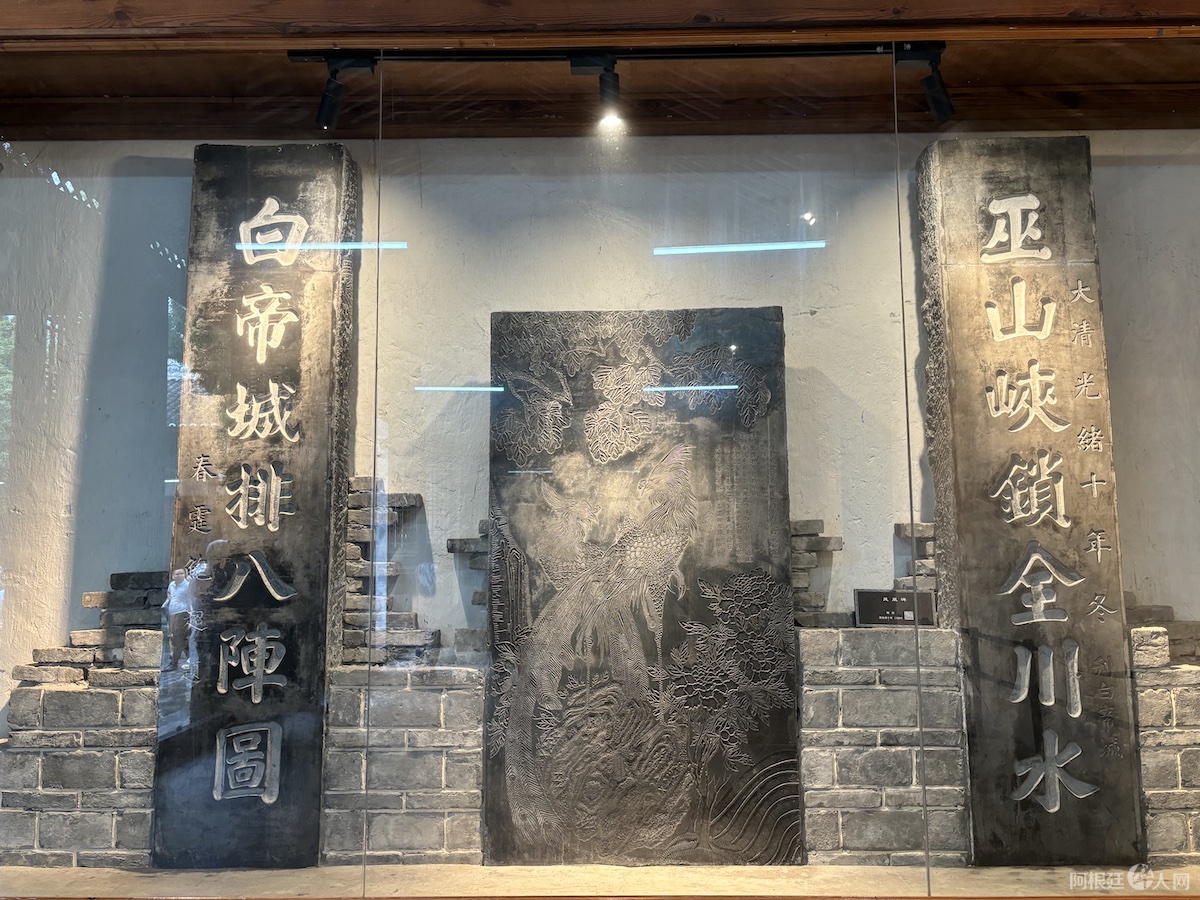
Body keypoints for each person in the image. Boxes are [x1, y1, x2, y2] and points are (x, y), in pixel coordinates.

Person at [163, 568, 195, 671]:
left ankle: (173, 663)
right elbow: (169, 593)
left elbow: (192, 598)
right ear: (173, 576)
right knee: (180, 638)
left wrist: (191, 611)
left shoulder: (188, 585)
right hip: (172, 614)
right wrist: (170, 600)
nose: (179, 575)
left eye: (181, 573)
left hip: (183, 613)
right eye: (177, 574)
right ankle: (191, 660)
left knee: (177, 639)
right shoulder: (172, 585)